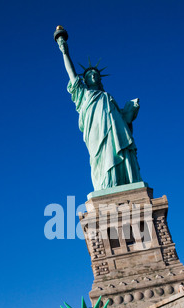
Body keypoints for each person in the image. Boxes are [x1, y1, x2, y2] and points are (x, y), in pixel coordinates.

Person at [56, 32, 143, 191]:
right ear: (85, 79)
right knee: (101, 157)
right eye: (89, 74)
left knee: (117, 151)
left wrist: (131, 110)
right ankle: (106, 185)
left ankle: (123, 182)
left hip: (114, 132)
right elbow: (72, 74)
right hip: (96, 134)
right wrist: (65, 52)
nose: (93, 75)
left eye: (96, 74)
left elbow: (123, 118)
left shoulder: (106, 96)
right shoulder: (83, 95)